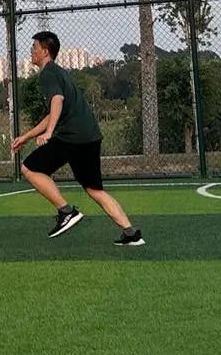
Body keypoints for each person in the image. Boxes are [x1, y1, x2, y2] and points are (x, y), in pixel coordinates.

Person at [11, 31, 144, 246]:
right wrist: (27, 136)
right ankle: (131, 233)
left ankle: (66, 212)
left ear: (45, 51)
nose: (31, 51)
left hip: (72, 137)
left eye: (34, 47)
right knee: (94, 189)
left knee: (29, 168)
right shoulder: (59, 73)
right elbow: (53, 112)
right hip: (89, 136)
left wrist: (49, 133)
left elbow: (57, 100)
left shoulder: (48, 74)